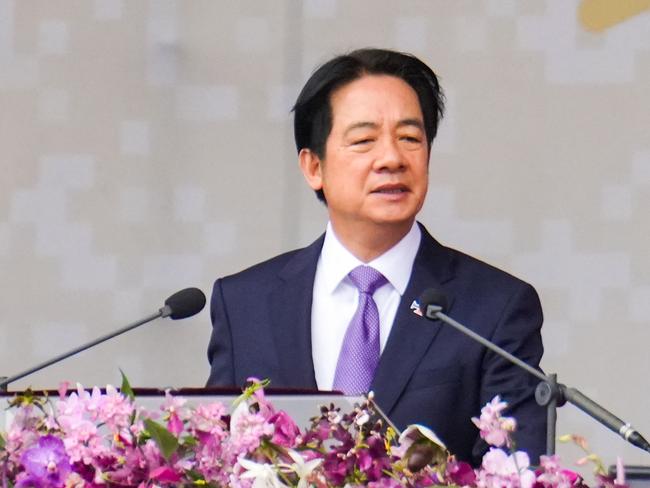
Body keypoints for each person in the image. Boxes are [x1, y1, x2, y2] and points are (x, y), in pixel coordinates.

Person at [206, 48, 546, 465]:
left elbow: (515, 467)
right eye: (364, 141)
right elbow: (218, 459)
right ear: (314, 167)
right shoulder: (246, 305)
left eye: (410, 139)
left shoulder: (493, 308)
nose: (392, 159)